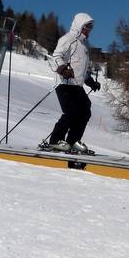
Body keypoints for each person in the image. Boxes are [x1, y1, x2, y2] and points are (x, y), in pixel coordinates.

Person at [41, 12, 101, 153]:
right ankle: (55, 141)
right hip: (64, 83)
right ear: (79, 25)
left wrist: (91, 82)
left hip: (76, 85)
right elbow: (57, 56)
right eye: (86, 26)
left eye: (90, 27)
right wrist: (63, 69)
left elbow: (81, 69)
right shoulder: (68, 39)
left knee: (85, 110)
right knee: (71, 111)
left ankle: (72, 141)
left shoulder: (83, 46)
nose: (88, 30)